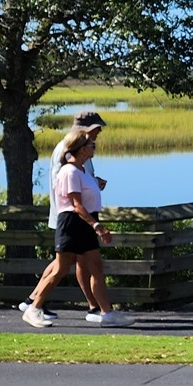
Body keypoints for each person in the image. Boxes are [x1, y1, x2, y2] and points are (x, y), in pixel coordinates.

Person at [21, 130, 132, 327]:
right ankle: (33, 308)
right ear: (81, 149)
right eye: (91, 145)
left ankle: (107, 314)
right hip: (72, 223)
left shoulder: (81, 170)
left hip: (85, 222)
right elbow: (76, 205)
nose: (94, 147)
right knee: (60, 269)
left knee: (96, 268)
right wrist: (97, 226)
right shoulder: (69, 171)